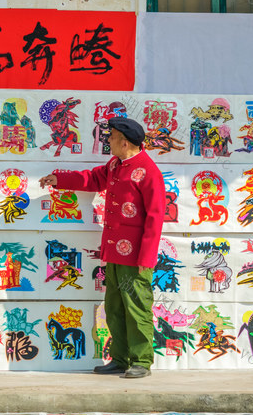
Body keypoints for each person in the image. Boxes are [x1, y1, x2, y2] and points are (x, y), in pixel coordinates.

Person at [39, 117, 165, 378]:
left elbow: (155, 217)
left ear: (125, 141)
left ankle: (141, 360)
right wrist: (59, 179)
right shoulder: (115, 165)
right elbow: (94, 179)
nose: (107, 140)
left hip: (136, 258)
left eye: (112, 137)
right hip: (115, 253)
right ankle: (119, 358)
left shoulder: (147, 171)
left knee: (137, 306)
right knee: (115, 306)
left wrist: (147, 257)